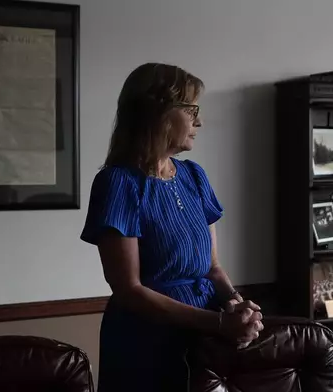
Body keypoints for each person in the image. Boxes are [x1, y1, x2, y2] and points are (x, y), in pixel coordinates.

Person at [80, 63, 264, 392]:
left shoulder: (194, 176)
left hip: (204, 340)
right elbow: (129, 290)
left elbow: (213, 268)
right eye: (191, 110)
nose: (200, 121)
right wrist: (220, 323)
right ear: (159, 112)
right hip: (145, 343)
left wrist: (238, 304)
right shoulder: (117, 183)